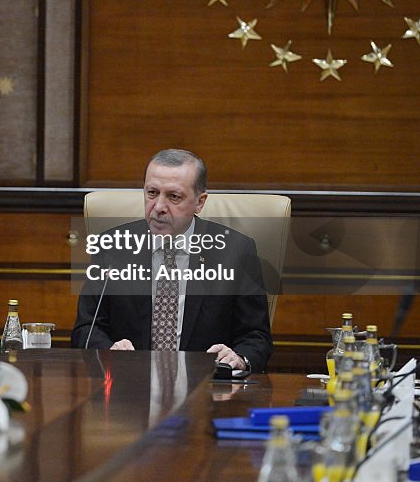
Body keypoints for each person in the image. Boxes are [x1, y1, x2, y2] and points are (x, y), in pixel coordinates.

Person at [71, 149, 273, 372]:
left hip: (206, 394)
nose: (158, 207)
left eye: (173, 197)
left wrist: (239, 358)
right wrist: (109, 352)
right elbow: (86, 329)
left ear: (200, 202)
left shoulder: (235, 251)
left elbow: (256, 337)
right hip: (129, 391)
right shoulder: (114, 247)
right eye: (152, 193)